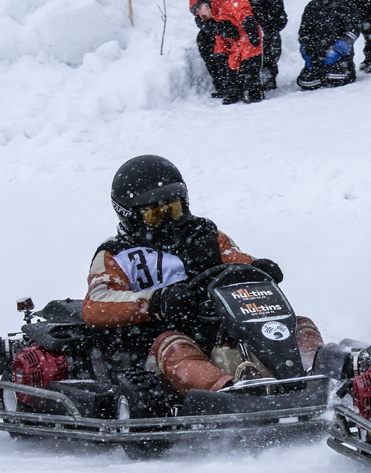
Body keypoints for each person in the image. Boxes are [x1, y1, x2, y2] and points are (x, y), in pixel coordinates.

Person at [83, 156, 325, 394]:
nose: (168, 220)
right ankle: (229, 390)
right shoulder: (116, 255)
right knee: (174, 344)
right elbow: (96, 304)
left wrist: (259, 268)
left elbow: (238, 262)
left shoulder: (205, 234)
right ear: (130, 215)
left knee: (295, 325)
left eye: (174, 209)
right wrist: (157, 302)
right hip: (157, 341)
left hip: (219, 327)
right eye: (155, 214)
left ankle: (317, 374)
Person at [212, 0, 287, 90]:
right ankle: (223, 79)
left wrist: (258, 19)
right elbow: (203, 16)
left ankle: (264, 71)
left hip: (257, 33)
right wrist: (222, 27)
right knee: (204, 37)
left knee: (270, 35)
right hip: (231, 35)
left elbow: (281, 19)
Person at [189, 0, 264, 104]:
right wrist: (220, 53)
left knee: (250, 66)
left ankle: (254, 91)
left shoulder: (228, 6)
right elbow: (220, 39)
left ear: (207, 3)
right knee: (232, 67)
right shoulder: (217, 21)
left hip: (249, 41)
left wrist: (248, 22)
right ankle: (233, 91)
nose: (200, 15)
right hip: (237, 45)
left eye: (199, 9)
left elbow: (242, 7)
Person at [297, 0, 362, 90]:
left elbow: (354, 27)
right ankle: (317, 70)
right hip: (317, 52)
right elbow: (305, 29)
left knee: (335, 76)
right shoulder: (312, 6)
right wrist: (307, 48)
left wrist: (340, 48)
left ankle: (340, 69)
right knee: (307, 81)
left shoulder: (345, 2)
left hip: (339, 53)